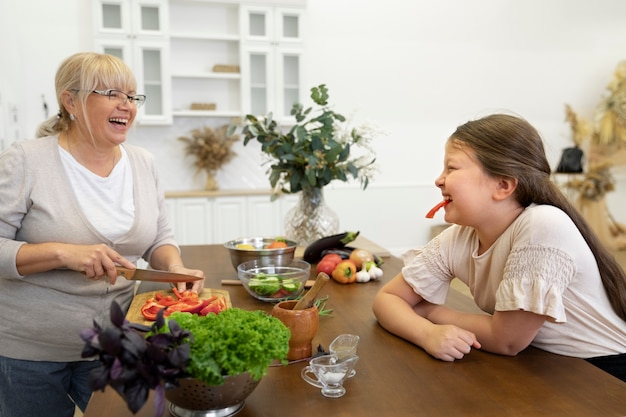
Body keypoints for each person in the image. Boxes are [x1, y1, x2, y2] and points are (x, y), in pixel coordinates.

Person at [0, 52, 205, 417]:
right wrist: (65, 254)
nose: (126, 105)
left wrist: (176, 269)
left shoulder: (143, 162)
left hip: (119, 344)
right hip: (30, 350)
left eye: (132, 96)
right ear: (70, 101)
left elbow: (159, 237)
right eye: (112, 93)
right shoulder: (26, 160)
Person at [373, 114, 626, 382]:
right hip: (542, 364)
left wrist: (429, 311)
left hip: (604, 374)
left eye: (452, 168)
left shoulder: (542, 225)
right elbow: (387, 300)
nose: (439, 180)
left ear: (503, 186)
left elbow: (506, 341)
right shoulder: (459, 237)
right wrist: (427, 334)